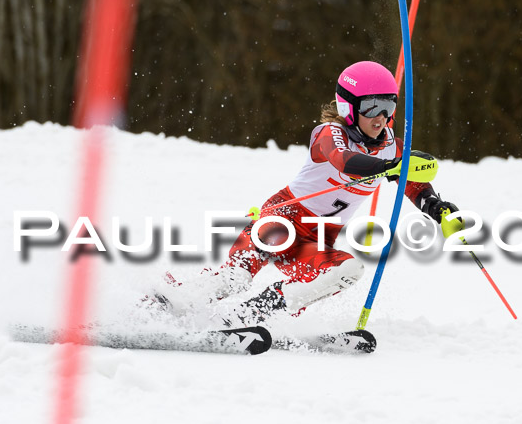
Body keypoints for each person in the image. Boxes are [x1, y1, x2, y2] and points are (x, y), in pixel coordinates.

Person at [149, 61, 463, 327]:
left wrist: (435, 207)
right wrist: (392, 164)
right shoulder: (328, 134)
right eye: (371, 107)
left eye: (388, 106)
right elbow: (347, 162)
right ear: (348, 107)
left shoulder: (390, 144)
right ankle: (164, 304)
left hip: (317, 239)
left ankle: (253, 313)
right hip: (282, 219)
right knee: (234, 279)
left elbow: (413, 183)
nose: (380, 117)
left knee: (347, 270)